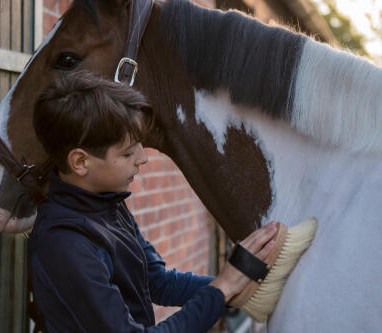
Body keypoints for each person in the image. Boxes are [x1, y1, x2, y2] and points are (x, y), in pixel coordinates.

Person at [29, 71, 277, 332]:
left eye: (139, 145)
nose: (142, 158)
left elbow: (157, 282)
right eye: (127, 152)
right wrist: (221, 288)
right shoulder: (64, 245)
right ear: (81, 162)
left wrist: (240, 285)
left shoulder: (107, 204)